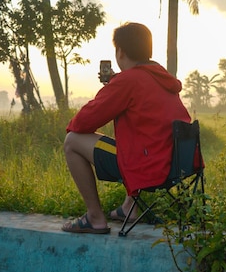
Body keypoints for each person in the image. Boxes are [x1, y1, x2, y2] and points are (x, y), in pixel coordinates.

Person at [62, 22, 191, 234]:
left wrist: (114, 85)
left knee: (72, 141)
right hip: (175, 163)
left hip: (149, 166)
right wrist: (115, 82)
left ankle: (94, 217)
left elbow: (84, 122)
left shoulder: (127, 81)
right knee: (137, 138)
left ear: (120, 52)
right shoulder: (159, 75)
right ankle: (130, 206)